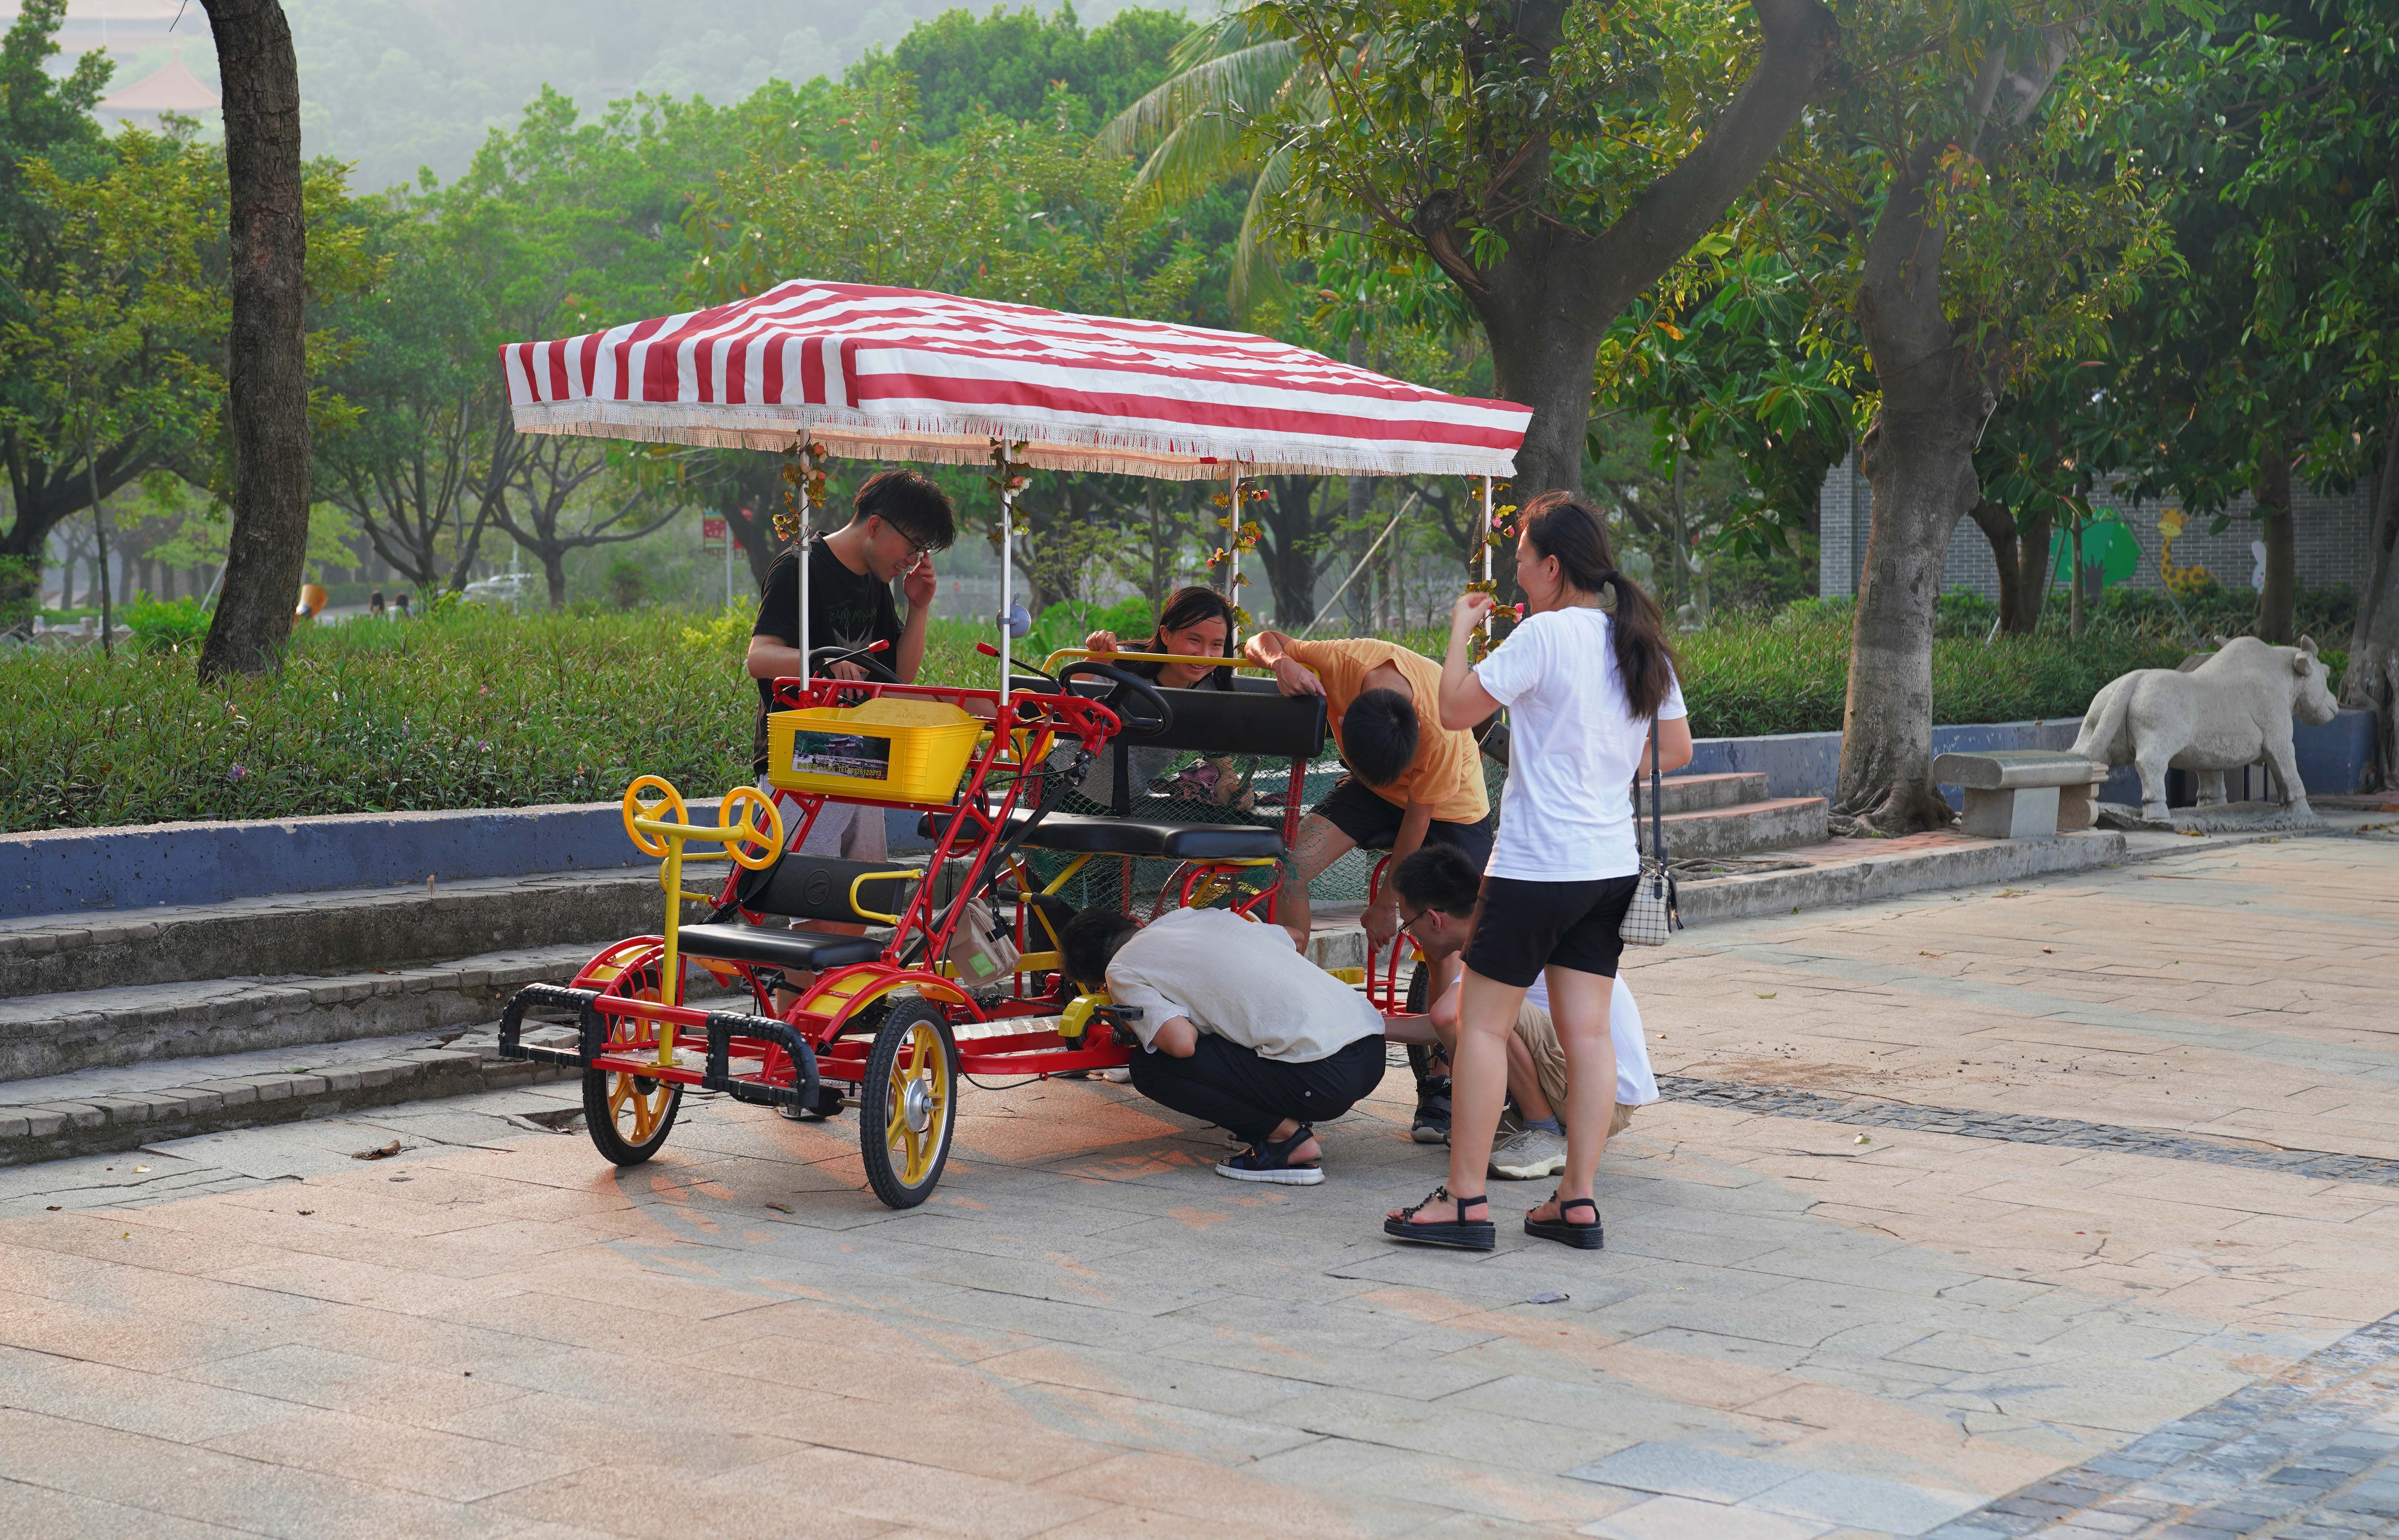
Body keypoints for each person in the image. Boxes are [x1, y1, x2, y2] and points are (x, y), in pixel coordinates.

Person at [1386, 491, 1691, 1252]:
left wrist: (1459, 631)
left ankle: (1463, 1202)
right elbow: (1676, 750)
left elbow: (1455, 709)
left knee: (1482, 1027)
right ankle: (1576, 1201)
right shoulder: (1638, 641)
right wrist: (1601, 766)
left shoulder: (1544, 636)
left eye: (1521, 555)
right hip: (1608, 866)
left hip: (1535, 868)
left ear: (1552, 566)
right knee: (1588, 1034)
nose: (1515, 569)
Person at [744, 469, 954, 1062]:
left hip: (863, 765)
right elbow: (759, 658)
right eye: (910, 547)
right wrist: (822, 661)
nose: (912, 560)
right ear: (876, 524)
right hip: (803, 761)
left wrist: (919, 610)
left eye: (922, 554)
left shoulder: (878, 586)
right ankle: (786, 1046)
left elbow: (900, 683)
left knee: (852, 910)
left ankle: (804, 1045)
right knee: (810, 903)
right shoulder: (800, 569)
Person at [1388, 844, 1660, 1181]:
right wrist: (1373, 1024)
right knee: (1477, 1016)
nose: (1409, 933)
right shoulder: (1496, 926)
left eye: (1407, 923)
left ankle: (1543, 1131)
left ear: (1434, 919)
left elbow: (1447, 1017)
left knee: (1481, 1013)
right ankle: (1535, 1118)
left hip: (1603, 1101)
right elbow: (1440, 1023)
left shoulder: (1499, 937)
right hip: (1594, 1088)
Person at [1059, 905, 1386, 1185]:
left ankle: (1287, 1140)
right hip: (1372, 1051)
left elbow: (1182, 1043)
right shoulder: (1196, 916)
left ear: (1100, 977)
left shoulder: (1122, 969)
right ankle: (1278, 1117)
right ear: (1135, 921)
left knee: (1151, 1068)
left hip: (1324, 1078)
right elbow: (1296, 937)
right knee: (1234, 1024)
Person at [1238, 628, 1490, 966]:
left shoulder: (1440, 730)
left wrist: (1388, 905)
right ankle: (1295, 986)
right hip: (1371, 790)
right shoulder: (1342, 661)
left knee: (1443, 932)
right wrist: (1281, 662)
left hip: (1450, 809)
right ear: (1344, 720)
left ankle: (1443, 1018)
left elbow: (1417, 821)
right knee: (1290, 869)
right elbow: (1261, 639)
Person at [1079, 586, 1251, 813]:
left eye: (1216, 645)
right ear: (1166, 635)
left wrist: (1233, 786)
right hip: (1063, 786)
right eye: (1194, 640)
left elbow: (1219, 758)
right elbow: (1061, 702)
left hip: (1130, 802)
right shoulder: (1121, 662)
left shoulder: (1211, 691)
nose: (1204, 655)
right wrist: (1095, 657)